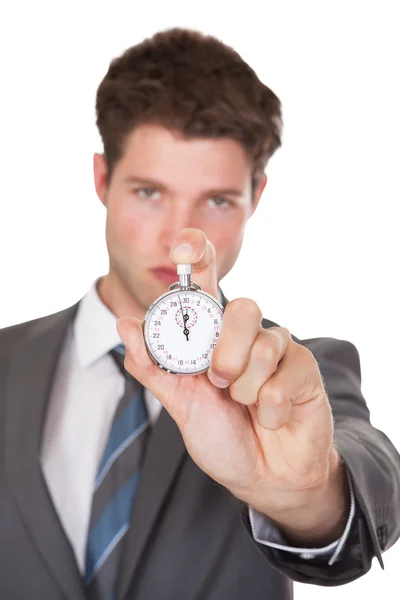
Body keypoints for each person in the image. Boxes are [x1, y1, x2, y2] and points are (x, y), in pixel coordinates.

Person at [0, 26, 399, 600]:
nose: (180, 236)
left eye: (216, 200)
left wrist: (307, 494)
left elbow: (364, 471)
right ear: (102, 180)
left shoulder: (290, 376)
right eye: (149, 192)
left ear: (255, 198)